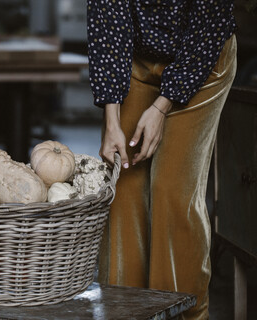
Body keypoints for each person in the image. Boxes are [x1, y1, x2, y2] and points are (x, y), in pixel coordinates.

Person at [87, 0, 237, 319]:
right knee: (123, 185)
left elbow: (207, 28)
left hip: (201, 58)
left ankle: (184, 314)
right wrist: (112, 120)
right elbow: (108, 23)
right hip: (139, 60)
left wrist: (161, 107)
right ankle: (124, 312)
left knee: (172, 190)